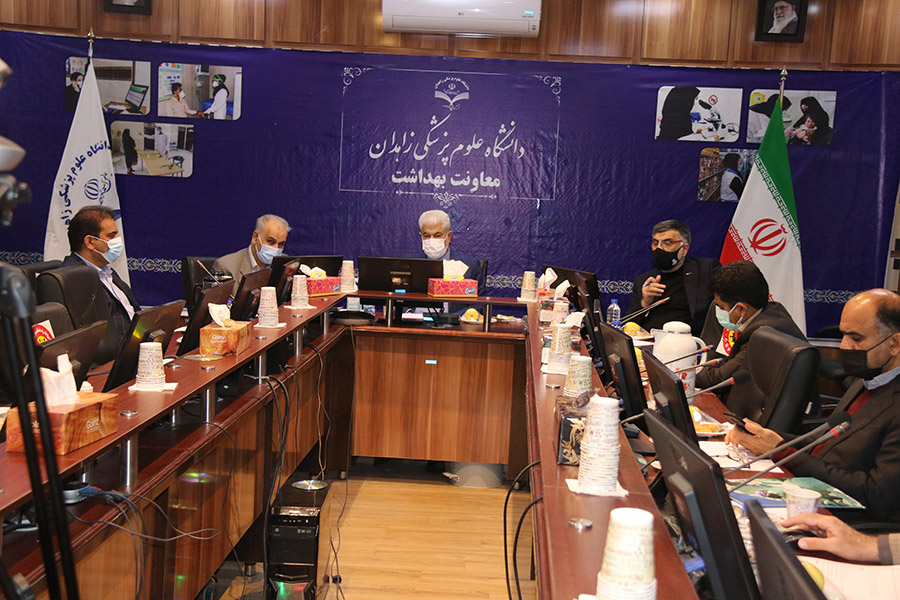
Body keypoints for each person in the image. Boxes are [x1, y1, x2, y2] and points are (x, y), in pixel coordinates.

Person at [726, 289, 900, 519]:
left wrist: (784, 453)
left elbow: (877, 495)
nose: (844, 346)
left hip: (844, 519)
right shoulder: (867, 378)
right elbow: (825, 441)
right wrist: (770, 438)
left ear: (894, 344)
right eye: (843, 335)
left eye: (856, 339)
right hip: (811, 491)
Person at [695, 260, 805, 391]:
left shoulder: (761, 335)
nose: (719, 312)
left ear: (741, 309)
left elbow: (721, 379)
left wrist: (682, 374)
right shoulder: (772, 310)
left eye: (722, 308)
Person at [61, 205, 139, 346]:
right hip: (117, 355)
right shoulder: (75, 279)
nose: (118, 239)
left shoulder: (105, 270)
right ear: (90, 242)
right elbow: (102, 338)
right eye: (111, 235)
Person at [627, 220, 719, 336]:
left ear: (684, 249)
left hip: (688, 342)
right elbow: (628, 326)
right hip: (649, 342)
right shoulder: (644, 280)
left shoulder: (706, 270)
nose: (659, 248)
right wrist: (645, 302)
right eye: (655, 243)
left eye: (667, 243)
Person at [414, 209, 485, 294]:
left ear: (449, 236)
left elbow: (481, 299)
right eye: (427, 236)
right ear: (421, 236)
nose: (432, 240)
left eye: (437, 235)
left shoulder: (470, 265)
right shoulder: (409, 264)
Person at [213, 214, 291, 288]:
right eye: (270, 241)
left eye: (281, 244)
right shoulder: (226, 267)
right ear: (255, 237)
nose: (276, 248)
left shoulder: (284, 264)